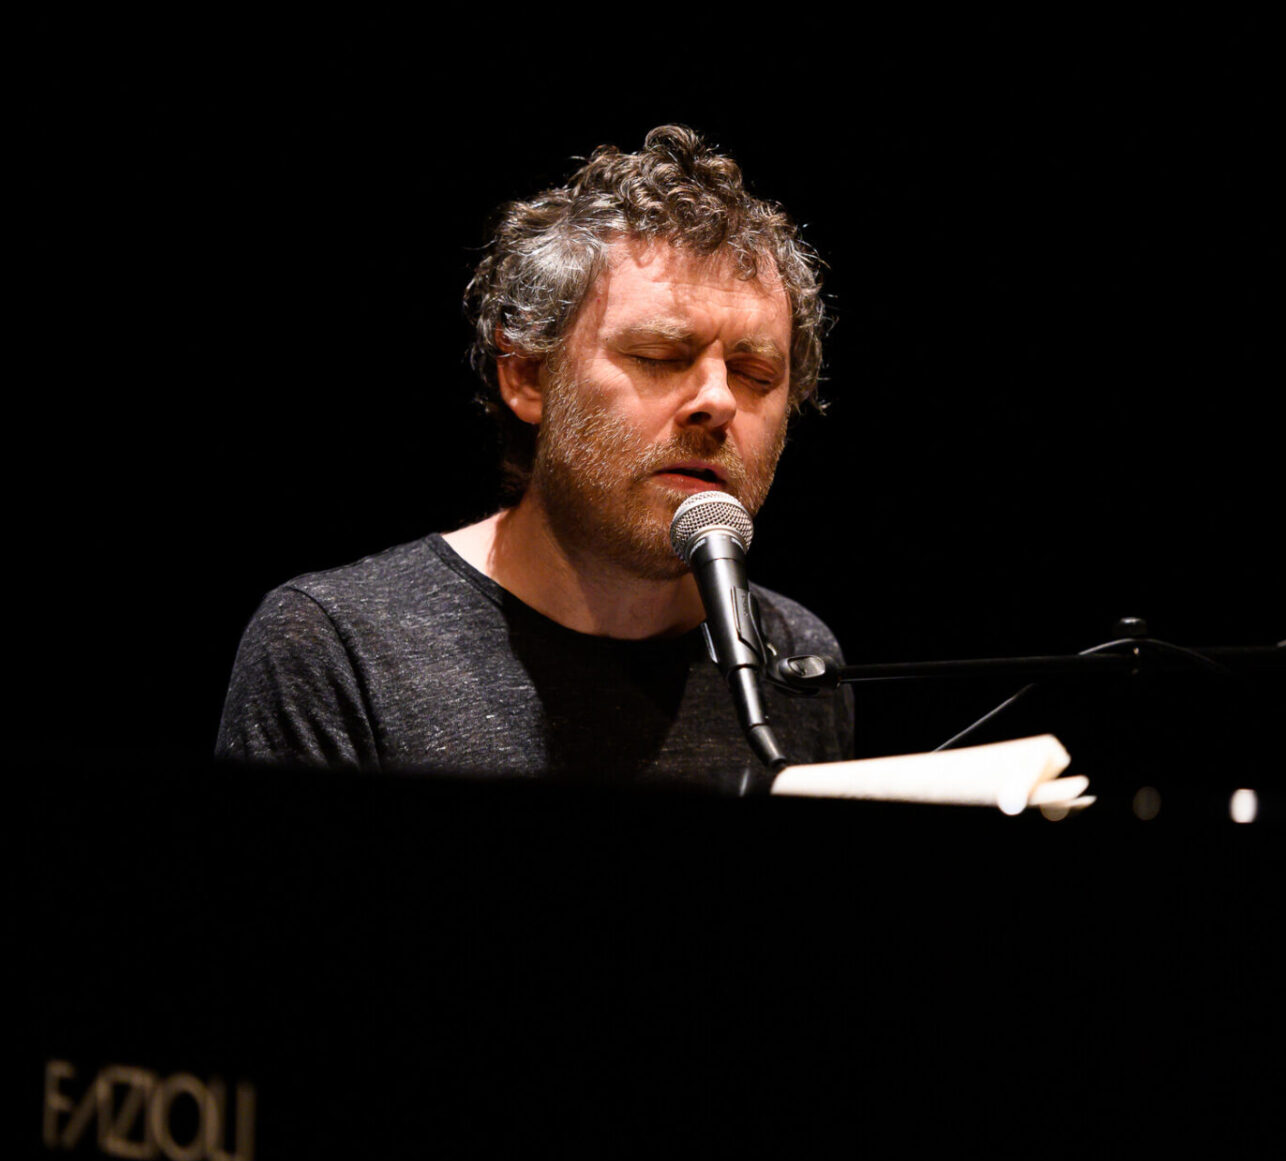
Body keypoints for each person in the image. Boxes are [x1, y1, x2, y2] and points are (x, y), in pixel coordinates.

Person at [216, 126, 853, 784]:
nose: (717, 400)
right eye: (660, 356)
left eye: (755, 374)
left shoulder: (796, 657)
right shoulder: (339, 648)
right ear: (525, 374)